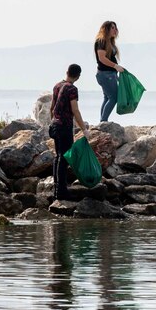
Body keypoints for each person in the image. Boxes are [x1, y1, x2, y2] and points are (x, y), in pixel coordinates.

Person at [49, 64, 90, 201]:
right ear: (78, 77)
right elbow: (75, 110)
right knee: (64, 158)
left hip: (54, 125)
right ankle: (61, 192)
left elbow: (52, 108)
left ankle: (56, 189)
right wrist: (84, 128)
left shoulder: (57, 86)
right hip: (64, 126)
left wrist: (53, 121)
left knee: (58, 156)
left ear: (66, 72)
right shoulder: (72, 89)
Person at [94, 21, 124, 122]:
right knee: (114, 98)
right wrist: (115, 66)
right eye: (112, 28)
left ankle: (102, 121)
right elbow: (102, 58)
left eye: (116, 28)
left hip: (110, 74)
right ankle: (103, 121)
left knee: (107, 98)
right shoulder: (101, 41)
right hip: (105, 74)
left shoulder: (110, 42)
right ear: (106, 29)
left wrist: (116, 71)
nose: (115, 30)